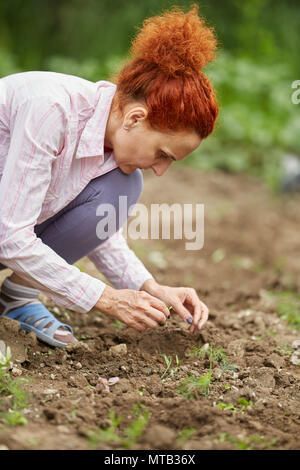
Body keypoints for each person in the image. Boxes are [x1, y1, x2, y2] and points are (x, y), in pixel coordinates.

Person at [0, 4, 217, 348]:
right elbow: (10, 236)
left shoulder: (111, 148)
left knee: (123, 186)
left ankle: (18, 296)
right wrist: (106, 298)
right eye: (163, 154)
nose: (161, 170)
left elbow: (96, 230)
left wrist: (150, 287)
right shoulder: (50, 110)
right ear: (133, 118)